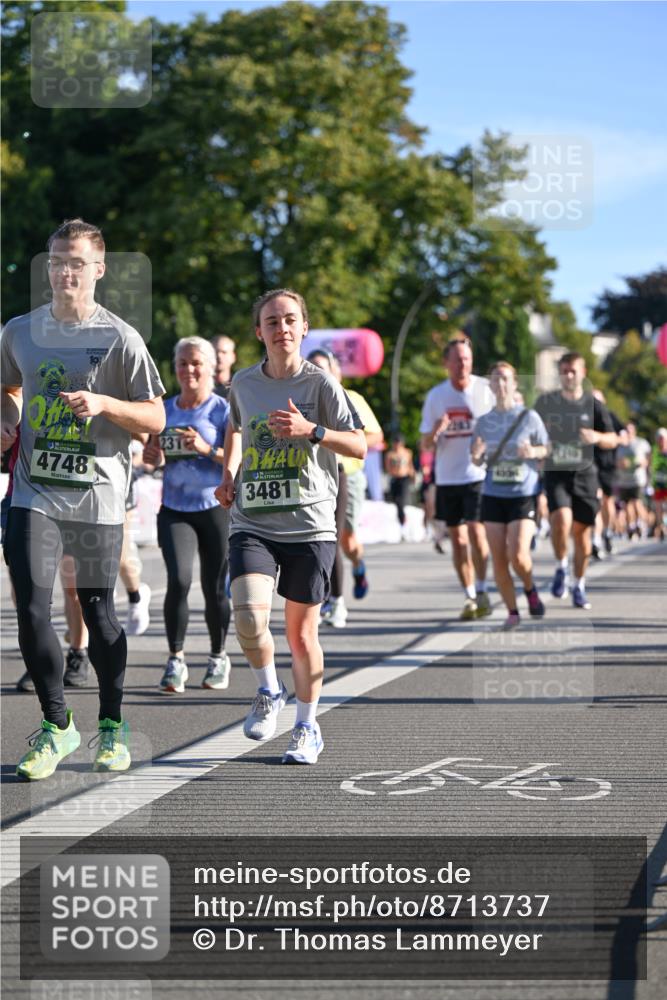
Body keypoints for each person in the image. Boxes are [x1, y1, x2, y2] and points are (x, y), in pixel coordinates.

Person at [0, 218, 165, 780]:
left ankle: (112, 725)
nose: (63, 272)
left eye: (75, 263)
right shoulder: (19, 331)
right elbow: (7, 387)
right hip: (34, 490)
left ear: (98, 269)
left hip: (97, 496)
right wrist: (7, 420)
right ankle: (56, 725)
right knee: (30, 608)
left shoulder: (120, 338)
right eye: (55, 262)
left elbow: (155, 416)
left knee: (99, 612)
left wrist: (104, 405)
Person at [216, 288, 365, 764]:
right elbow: (235, 427)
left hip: (309, 523)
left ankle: (306, 726)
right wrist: (228, 474)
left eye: (289, 320)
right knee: (247, 617)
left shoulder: (322, 385)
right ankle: (268, 690)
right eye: (272, 321)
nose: (281, 328)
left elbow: (359, 446)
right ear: (259, 332)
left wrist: (312, 431)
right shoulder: (243, 383)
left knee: (301, 637)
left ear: (304, 328)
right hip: (253, 519)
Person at [143, 336, 232, 692]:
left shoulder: (222, 410)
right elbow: (153, 456)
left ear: (210, 367)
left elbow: (240, 460)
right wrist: (153, 459)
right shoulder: (164, 410)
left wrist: (206, 448)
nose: (189, 369)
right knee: (178, 581)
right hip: (175, 508)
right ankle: (175, 660)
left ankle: (218, 656)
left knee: (214, 587)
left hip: (214, 507)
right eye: (183, 363)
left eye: (196, 363)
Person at [419, 335, 494, 620]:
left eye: (466, 359)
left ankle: (483, 587)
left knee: (476, 532)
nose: (463, 364)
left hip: (477, 474)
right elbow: (425, 444)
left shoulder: (485, 390)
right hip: (448, 478)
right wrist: (435, 431)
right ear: (446, 363)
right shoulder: (436, 397)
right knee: (459, 540)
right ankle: (470, 595)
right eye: (457, 359)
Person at [535, 352, 617, 610]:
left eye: (573, 371)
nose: (568, 375)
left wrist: (596, 437)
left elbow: (613, 439)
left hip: (585, 476)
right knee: (560, 519)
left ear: (583, 373)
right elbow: (531, 431)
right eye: (564, 371)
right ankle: (561, 566)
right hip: (557, 472)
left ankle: (579, 585)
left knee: (582, 535)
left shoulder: (594, 405)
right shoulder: (546, 402)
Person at [471, 363, 549, 628]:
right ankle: (512, 611)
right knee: (499, 559)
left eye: (505, 379)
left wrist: (533, 452)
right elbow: (477, 459)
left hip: (522, 494)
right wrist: (476, 455)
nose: (501, 384)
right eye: (496, 379)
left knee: (518, 555)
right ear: (490, 385)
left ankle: (529, 588)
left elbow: (547, 448)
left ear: (515, 383)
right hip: (493, 494)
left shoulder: (529, 417)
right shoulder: (483, 422)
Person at [306, 349, 350, 629]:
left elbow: (363, 439)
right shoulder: (299, 396)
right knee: (310, 542)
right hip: (307, 475)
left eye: (323, 367)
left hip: (337, 473)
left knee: (332, 539)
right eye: (313, 367)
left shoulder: (344, 398)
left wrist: (318, 432)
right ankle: (318, 599)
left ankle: (338, 600)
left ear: (335, 372)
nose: (318, 373)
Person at [591, 389, 626, 558]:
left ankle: (607, 531)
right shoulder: (583, 417)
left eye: (597, 400)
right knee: (596, 501)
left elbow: (625, 437)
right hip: (590, 466)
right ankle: (595, 539)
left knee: (607, 502)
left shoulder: (610, 417)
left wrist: (605, 439)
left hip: (608, 466)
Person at [616, 422, 652, 539]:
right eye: (626, 430)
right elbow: (616, 462)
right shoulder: (620, 445)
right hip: (623, 480)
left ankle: (643, 524)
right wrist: (622, 464)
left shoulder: (641, 443)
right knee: (626, 506)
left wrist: (643, 463)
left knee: (637, 503)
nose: (628, 432)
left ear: (634, 431)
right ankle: (631, 526)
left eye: (630, 430)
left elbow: (649, 457)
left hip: (638, 480)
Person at [384, 433, 415, 537]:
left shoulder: (407, 453)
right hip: (395, 478)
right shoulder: (390, 455)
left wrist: (413, 476)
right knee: (396, 501)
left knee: (401, 501)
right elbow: (388, 468)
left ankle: (404, 523)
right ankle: (402, 522)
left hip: (404, 479)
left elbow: (410, 466)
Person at [651, 427, 667, 541]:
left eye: (663, 438)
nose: (661, 440)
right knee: (658, 507)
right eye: (659, 438)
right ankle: (661, 527)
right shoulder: (654, 450)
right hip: (658, 483)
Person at [211, 334, 237, 399]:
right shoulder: (200, 387)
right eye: (215, 352)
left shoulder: (240, 386)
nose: (219, 356)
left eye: (224, 352)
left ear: (233, 357)